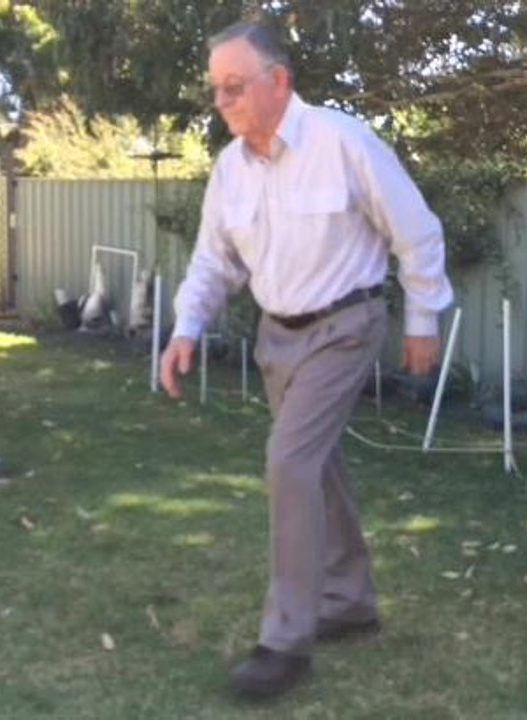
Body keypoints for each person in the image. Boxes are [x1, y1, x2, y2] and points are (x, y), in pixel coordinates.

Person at [160, 20, 454, 700]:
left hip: (346, 325)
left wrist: (422, 319)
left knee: (289, 461)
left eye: (235, 86)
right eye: (216, 89)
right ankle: (349, 601)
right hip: (278, 337)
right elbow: (213, 260)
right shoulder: (230, 170)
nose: (223, 101)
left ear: (279, 81)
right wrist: (186, 327)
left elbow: (417, 232)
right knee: (316, 467)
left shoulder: (341, 141)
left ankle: (285, 641)